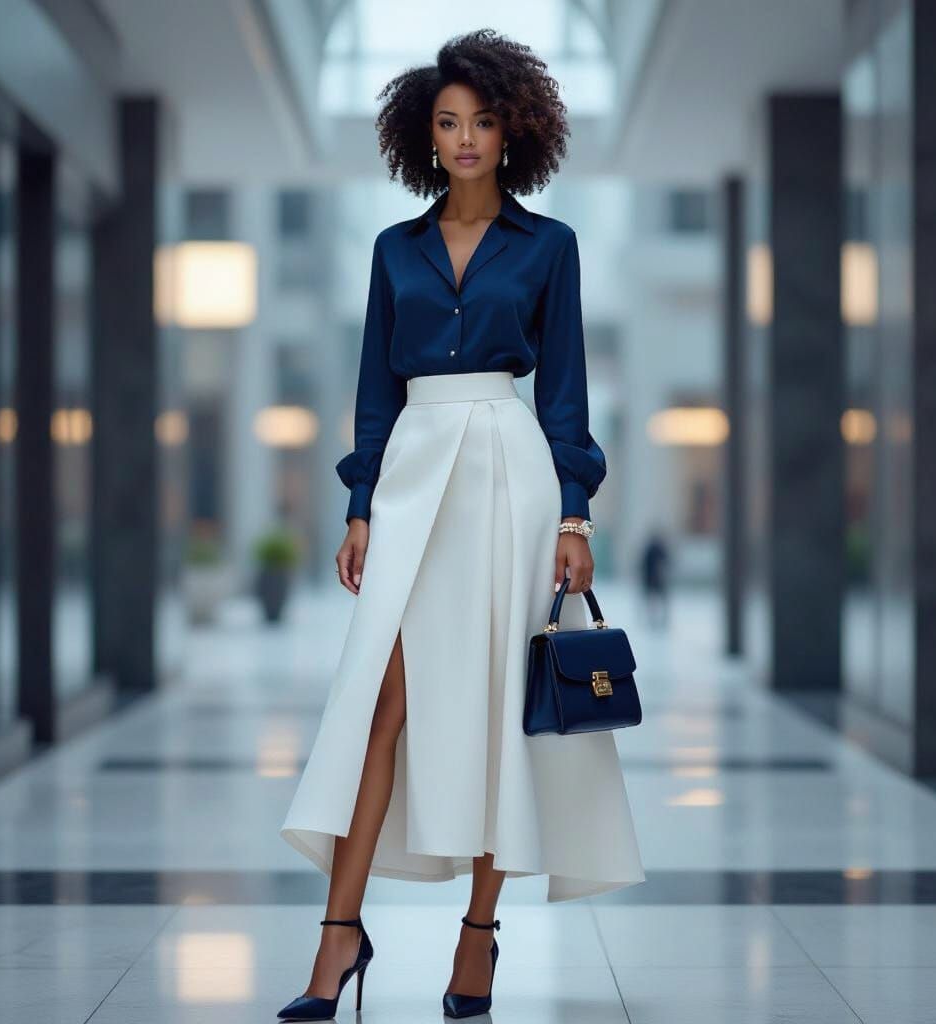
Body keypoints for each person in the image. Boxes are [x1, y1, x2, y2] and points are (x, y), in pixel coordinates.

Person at [277, 28, 644, 1022]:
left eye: (482, 120)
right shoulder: (391, 251)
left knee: (494, 707)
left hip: (510, 479)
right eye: (447, 122)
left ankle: (476, 939)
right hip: (409, 475)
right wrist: (358, 507)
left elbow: (565, 393)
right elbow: (370, 393)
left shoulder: (550, 247)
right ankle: (338, 934)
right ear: (421, 138)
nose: (466, 137)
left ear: (511, 129)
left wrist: (575, 512)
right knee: (381, 707)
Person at [639, 530, 671, 628]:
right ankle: (656, 619)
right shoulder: (653, 549)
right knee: (654, 600)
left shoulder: (653, 549)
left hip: (655, 579)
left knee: (656, 600)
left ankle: (659, 619)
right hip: (654, 579)